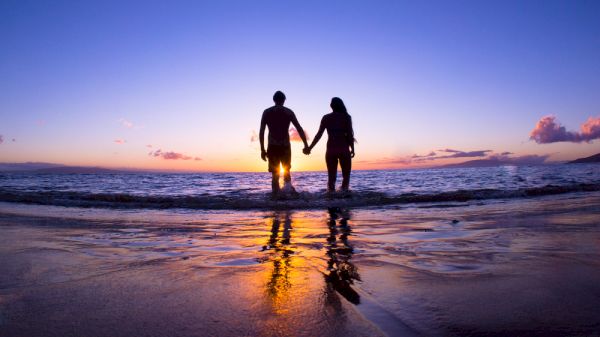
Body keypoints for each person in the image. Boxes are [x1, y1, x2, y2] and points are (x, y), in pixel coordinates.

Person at [260, 91, 309, 196]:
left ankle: (275, 199)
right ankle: (288, 199)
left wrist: (262, 150)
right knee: (287, 172)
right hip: (285, 146)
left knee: (275, 175)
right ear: (284, 100)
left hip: (272, 146)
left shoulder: (267, 112)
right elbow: (299, 128)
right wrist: (306, 145)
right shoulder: (288, 112)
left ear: (274, 99)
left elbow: (262, 132)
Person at [304, 97, 355, 192]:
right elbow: (350, 134)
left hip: (331, 150)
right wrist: (352, 148)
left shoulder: (326, 118)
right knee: (346, 177)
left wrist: (310, 148)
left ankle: (331, 200)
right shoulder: (347, 117)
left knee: (331, 179)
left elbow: (319, 135)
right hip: (343, 149)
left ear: (331, 106)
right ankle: (345, 198)